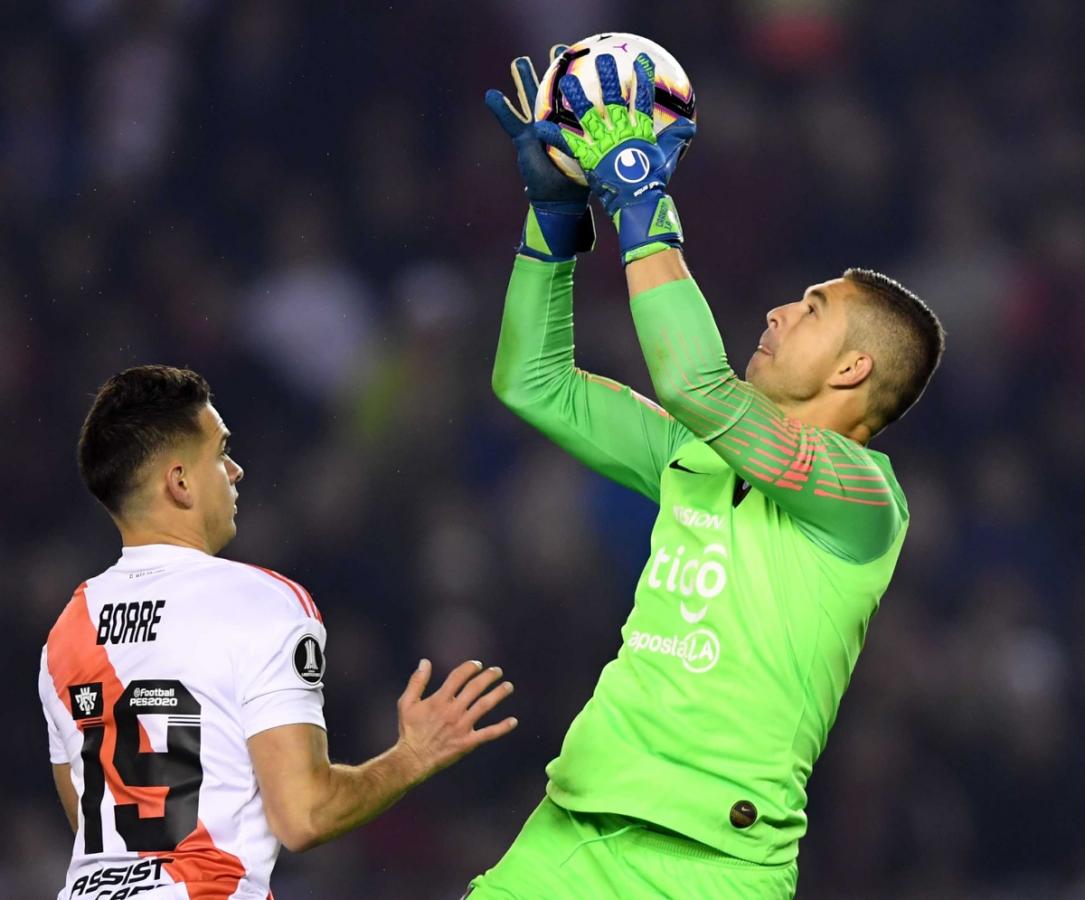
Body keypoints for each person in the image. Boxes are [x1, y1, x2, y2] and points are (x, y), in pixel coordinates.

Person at [469, 47, 945, 899]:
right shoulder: (693, 455)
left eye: (811, 311)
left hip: (709, 868)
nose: (777, 310)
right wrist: (553, 222)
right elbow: (531, 382)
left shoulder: (864, 504)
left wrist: (640, 197)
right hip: (567, 831)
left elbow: (695, 382)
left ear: (851, 373)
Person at [39, 364, 518, 899]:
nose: (236, 470)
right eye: (220, 453)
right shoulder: (261, 602)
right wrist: (413, 756)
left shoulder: (66, 632)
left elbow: (92, 823)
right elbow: (305, 815)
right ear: (178, 481)